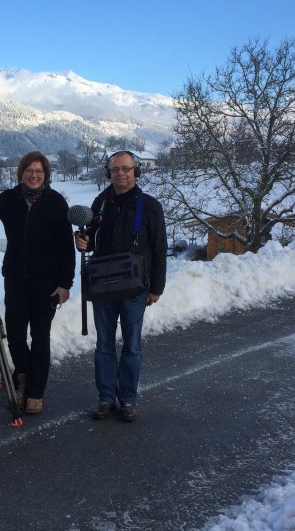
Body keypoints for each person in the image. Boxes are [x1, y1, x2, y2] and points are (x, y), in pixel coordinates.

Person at [0, 151, 75, 415]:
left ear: (46, 175)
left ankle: (36, 393)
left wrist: (65, 284)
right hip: (15, 278)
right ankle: (24, 375)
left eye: (39, 171)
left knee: (40, 337)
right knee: (15, 335)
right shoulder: (10, 198)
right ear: (22, 173)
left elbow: (66, 247)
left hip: (46, 281)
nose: (34, 175)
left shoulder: (56, 202)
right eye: (29, 170)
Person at [75, 150, 167, 422]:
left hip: (135, 289)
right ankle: (105, 398)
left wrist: (156, 288)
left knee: (132, 346)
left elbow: (159, 250)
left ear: (136, 172)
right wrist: (83, 241)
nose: (121, 174)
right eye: (115, 169)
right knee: (104, 345)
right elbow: (91, 239)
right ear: (108, 173)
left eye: (126, 169)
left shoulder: (150, 206)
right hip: (103, 287)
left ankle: (127, 400)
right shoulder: (101, 202)